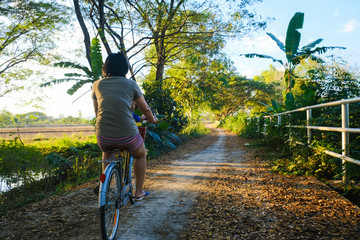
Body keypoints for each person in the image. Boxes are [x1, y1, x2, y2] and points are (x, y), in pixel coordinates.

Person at [92, 52, 158, 201]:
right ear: (125, 68)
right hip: (127, 134)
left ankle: (105, 185)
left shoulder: (97, 84)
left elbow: (97, 112)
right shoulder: (131, 84)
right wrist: (153, 120)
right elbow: (145, 109)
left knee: (108, 152)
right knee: (140, 154)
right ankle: (139, 191)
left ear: (106, 67)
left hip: (104, 135)